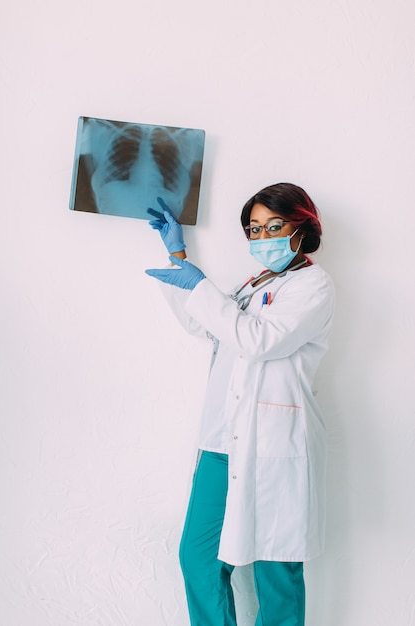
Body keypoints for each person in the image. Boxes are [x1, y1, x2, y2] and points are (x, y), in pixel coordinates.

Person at [145, 183, 335, 626]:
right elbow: (209, 324)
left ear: (301, 227)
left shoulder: (313, 286)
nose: (263, 238)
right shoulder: (252, 284)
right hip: (222, 441)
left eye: (274, 226)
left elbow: (257, 339)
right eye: (254, 229)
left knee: (277, 569)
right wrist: (180, 262)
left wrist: (201, 286)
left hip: (274, 446)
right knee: (200, 558)